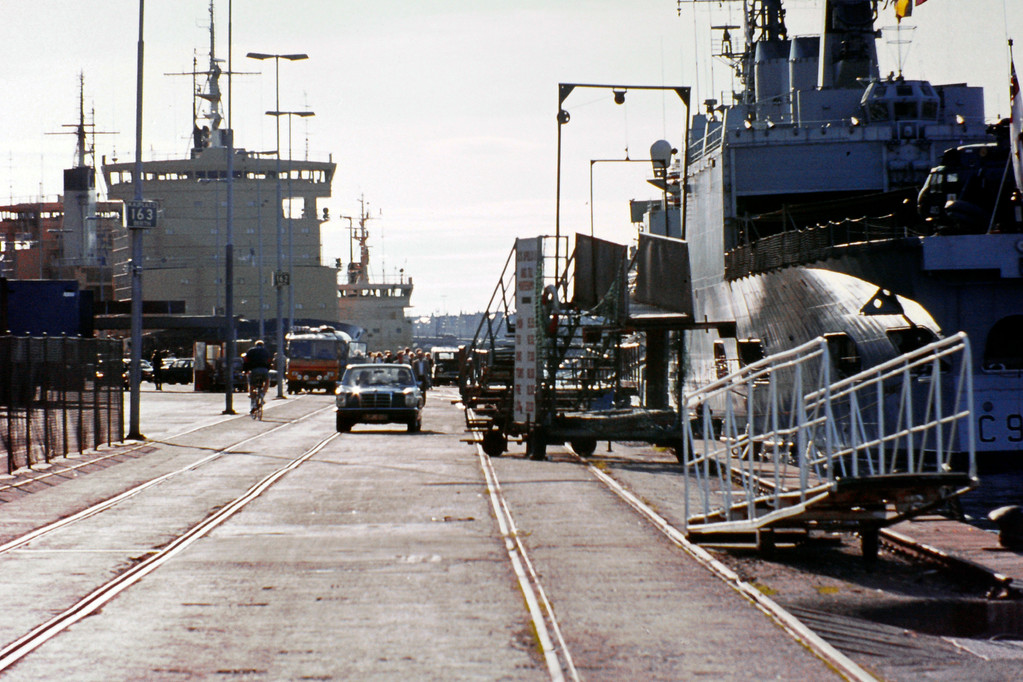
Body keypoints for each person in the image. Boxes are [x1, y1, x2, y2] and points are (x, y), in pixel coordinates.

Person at [243, 340, 272, 414]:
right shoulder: (266, 351)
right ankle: (262, 394)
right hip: (264, 370)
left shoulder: (251, 351)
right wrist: (267, 369)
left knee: (251, 384)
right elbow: (269, 362)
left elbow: (246, 361)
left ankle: (252, 398)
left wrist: (245, 371)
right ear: (263, 345)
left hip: (254, 370)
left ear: (255, 345)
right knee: (267, 381)